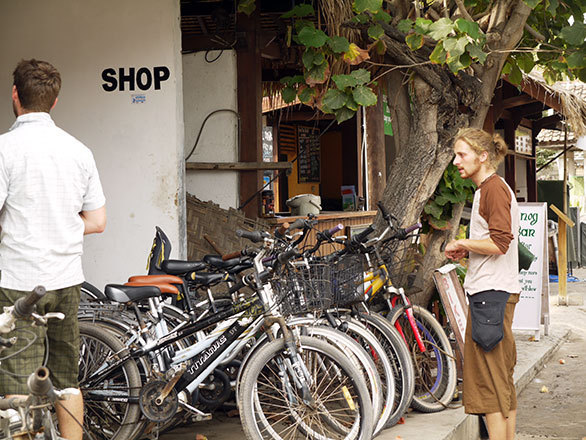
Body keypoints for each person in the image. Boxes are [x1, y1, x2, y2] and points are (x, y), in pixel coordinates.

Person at [0, 59, 106, 440]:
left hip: (18, 282)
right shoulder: (79, 151)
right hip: (67, 281)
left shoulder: (5, 150)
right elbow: (96, 221)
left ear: (15, 96)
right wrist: (61, 223)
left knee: (16, 383)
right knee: (66, 381)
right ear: (54, 102)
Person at [445, 128, 520, 440]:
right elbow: (496, 240)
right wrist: (470, 247)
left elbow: (500, 242)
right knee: (500, 383)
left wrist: (463, 241)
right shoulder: (490, 189)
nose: (456, 161)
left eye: (462, 154)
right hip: (495, 294)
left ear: (483, 156)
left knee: (490, 386)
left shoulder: (492, 190)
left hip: (490, 296)